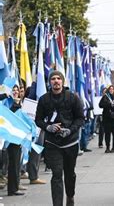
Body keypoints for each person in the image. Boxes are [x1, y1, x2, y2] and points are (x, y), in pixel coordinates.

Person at [35, 71, 85, 206]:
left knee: (69, 174)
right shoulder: (44, 99)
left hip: (70, 142)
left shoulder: (73, 97)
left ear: (62, 81)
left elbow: (80, 118)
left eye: (58, 78)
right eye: (53, 79)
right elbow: (38, 120)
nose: (56, 81)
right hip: (53, 143)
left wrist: (70, 130)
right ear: (49, 82)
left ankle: (70, 196)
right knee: (56, 175)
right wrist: (48, 127)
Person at [99, 85, 114, 153]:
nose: (111, 90)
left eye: (112, 89)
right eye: (110, 89)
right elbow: (100, 105)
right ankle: (107, 147)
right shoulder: (105, 97)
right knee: (107, 134)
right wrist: (109, 105)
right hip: (107, 119)